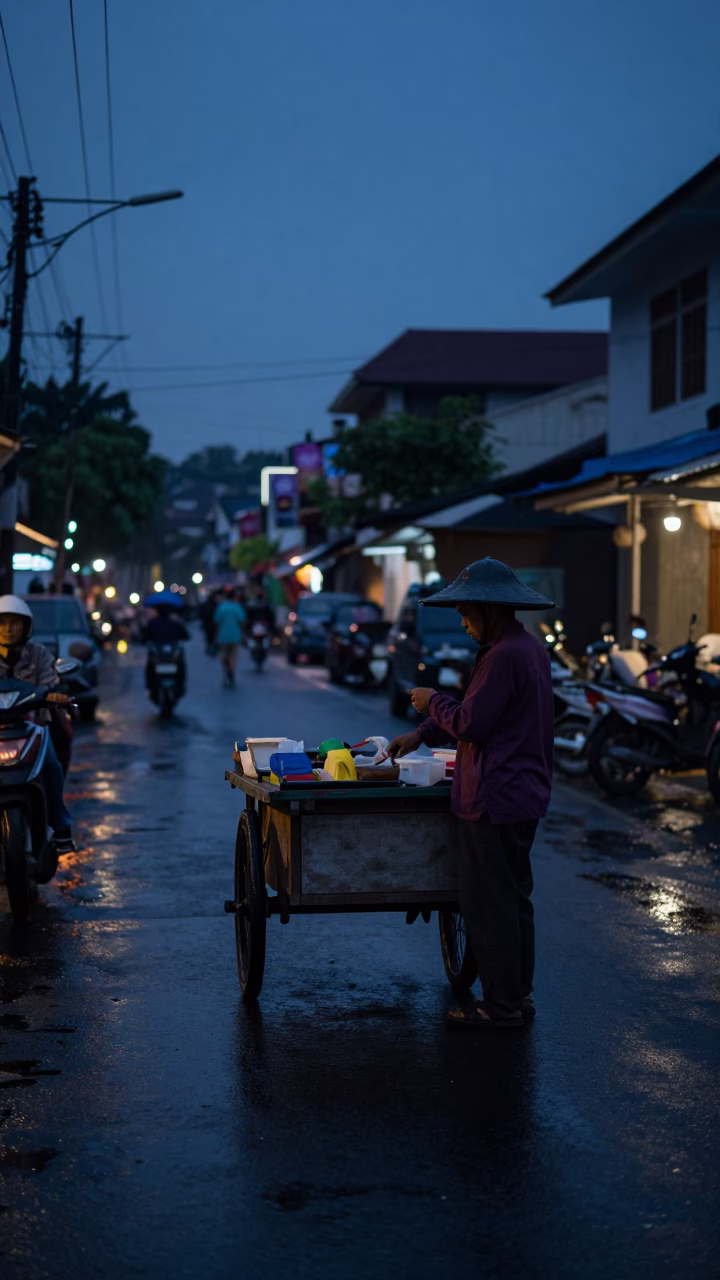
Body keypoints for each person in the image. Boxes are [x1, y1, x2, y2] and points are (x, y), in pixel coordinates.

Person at [388, 558, 554, 1030]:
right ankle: (517, 998)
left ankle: (500, 1006)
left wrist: (430, 699)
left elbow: (471, 722)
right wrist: (422, 732)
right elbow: (480, 712)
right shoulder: (525, 648)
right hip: (522, 792)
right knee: (515, 899)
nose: (461, 622)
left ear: (488, 608)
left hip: (495, 794)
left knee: (491, 904)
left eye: (465, 611)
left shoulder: (503, 655)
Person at [0, 595, 75, 854]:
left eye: (14, 623)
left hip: (33, 727)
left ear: (26, 627)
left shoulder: (39, 653)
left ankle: (61, 828)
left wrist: (54, 692)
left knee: (52, 766)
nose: (8, 629)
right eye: (2, 623)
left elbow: (51, 679)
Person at [141, 600, 190, 696]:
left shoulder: (152, 623)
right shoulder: (174, 623)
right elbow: (186, 635)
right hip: (160, 654)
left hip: (169, 654)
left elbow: (144, 637)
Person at [214, 589, 246, 687]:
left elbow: (217, 621)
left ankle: (226, 671)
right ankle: (231, 671)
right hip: (235, 636)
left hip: (223, 636)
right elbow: (242, 621)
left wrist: (215, 636)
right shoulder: (237, 607)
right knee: (233, 656)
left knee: (223, 655)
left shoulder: (221, 607)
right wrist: (244, 634)